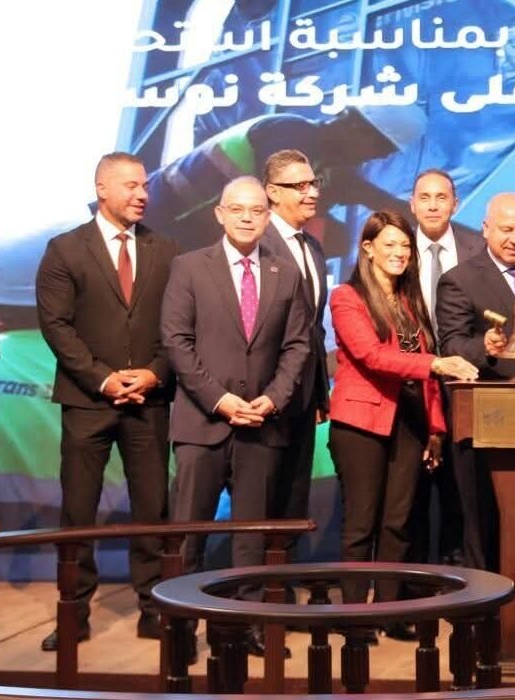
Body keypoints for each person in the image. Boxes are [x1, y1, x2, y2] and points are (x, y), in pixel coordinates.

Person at [35, 152, 179, 651]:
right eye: (131, 185)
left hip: (149, 402)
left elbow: (178, 325)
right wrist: (103, 380)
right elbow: (56, 326)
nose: (142, 194)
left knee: (153, 510)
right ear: (101, 188)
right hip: (87, 401)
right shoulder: (65, 249)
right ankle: (72, 614)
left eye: (145, 186)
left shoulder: (167, 250)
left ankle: (153, 609)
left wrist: (154, 373)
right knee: (78, 512)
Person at [161, 176, 310, 657]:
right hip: (202, 424)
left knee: (251, 538)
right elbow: (176, 342)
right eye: (238, 209)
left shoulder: (286, 272)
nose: (247, 217)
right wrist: (220, 399)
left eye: (257, 210)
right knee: (189, 535)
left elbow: (297, 345)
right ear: (219, 214)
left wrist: (274, 398)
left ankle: (247, 626)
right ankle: (181, 630)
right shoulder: (188, 267)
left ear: (268, 216)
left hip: (262, 425)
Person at [328, 209, 479, 641]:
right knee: (361, 524)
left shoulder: (410, 302)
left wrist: (436, 428)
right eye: (389, 244)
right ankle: (354, 617)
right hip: (361, 422)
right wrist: (437, 363)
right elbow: (372, 356)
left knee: (399, 522)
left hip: (410, 423)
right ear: (368, 249)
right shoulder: (346, 297)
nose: (399, 253)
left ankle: (391, 612)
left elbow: (423, 376)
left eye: (405, 246)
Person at [436, 192, 515, 569]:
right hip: (488, 419)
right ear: (486, 229)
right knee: (485, 521)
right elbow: (452, 343)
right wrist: (484, 347)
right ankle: (484, 597)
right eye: (506, 229)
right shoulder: (459, 279)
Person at [407, 168, 484, 570]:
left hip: (466, 384)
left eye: (442, 197)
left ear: (456, 203)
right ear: (412, 204)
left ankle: (461, 577)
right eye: (425, 197)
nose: (433, 205)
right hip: (410, 385)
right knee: (411, 491)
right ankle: (413, 581)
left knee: (463, 491)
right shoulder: (395, 248)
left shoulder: (478, 246)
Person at [259, 149, 329, 557]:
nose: (311, 193)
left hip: (303, 397)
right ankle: (254, 584)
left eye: (313, 183)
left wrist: (319, 391)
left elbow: (313, 329)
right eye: (300, 186)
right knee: (264, 496)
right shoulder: (258, 244)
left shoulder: (313, 247)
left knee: (294, 496)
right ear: (272, 192)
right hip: (265, 395)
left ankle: (279, 579)